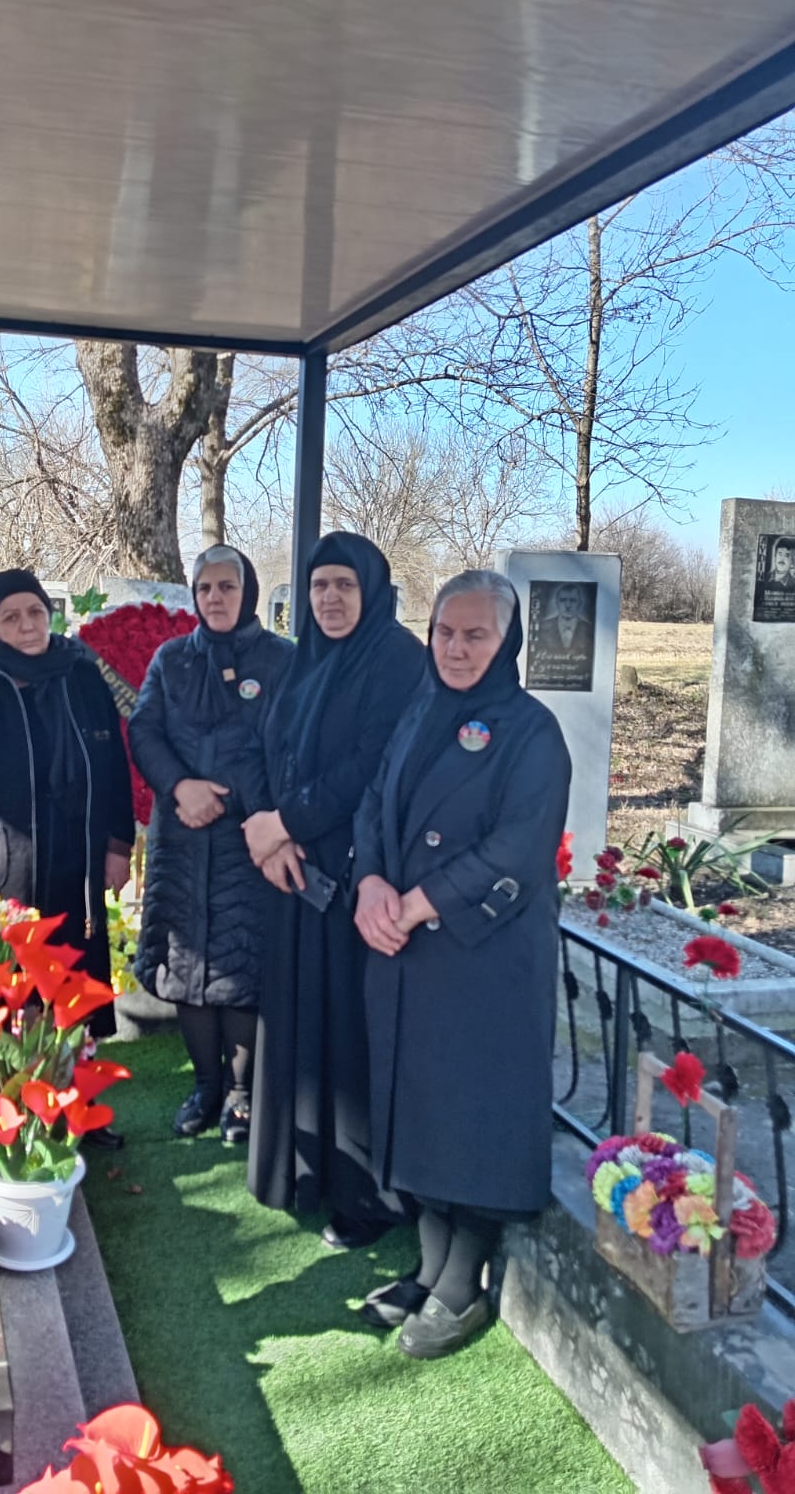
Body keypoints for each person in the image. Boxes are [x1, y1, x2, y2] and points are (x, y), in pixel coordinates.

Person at [352, 569, 571, 1358]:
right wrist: (370, 882)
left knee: (471, 1114)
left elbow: (519, 846)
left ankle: (462, 1285)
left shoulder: (533, 731)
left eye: (475, 635)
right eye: (445, 632)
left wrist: (419, 902)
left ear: (506, 641)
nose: (456, 648)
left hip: (483, 958)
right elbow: (375, 802)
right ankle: (429, 1263)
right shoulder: (422, 708)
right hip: (408, 949)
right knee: (421, 1109)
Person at [244, 532, 426, 1246]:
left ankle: (362, 1198)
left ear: (372, 590)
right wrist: (268, 831)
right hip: (291, 871)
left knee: (348, 1032)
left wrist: (284, 822)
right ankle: (301, 1172)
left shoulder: (397, 659)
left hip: (353, 875)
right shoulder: (306, 658)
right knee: (297, 1018)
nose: (329, 598)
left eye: (344, 585)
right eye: (318, 585)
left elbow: (370, 766)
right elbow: (265, 745)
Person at [0, 569, 134, 1146]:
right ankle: (16, 1115)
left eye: (35, 612)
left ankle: (77, 1110)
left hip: (77, 861)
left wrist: (118, 845)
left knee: (73, 981)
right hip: (7, 868)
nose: (27, 626)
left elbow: (113, 765)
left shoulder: (82, 675)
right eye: (11, 617)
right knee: (14, 985)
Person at [128, 545, 294, 1143]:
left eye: (227, 586)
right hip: (183, 836)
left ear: (248, 592)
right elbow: (145, 730)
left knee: (242, 964)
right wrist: (180, 786)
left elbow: (289, 747)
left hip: (250, 841)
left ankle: (243, 1094)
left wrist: (242, 801)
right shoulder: (171, 659)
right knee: (188, 966)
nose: (216, 597)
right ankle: (206, 1086)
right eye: (205, 588)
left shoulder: (281, 660)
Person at [536, 582, 593, 659]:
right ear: (557, 603)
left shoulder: (589, 629)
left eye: (573, 600)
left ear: (579, 603)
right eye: (563, 600)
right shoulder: (543, 627)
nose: (568, 605)